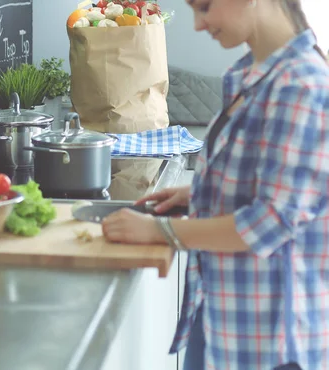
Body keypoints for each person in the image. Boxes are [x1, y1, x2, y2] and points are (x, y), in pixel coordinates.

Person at [100, 0, 329, 369]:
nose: (198, 25)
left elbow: (272, 221)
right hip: (222, 314)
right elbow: (266, 180)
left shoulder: (302, 86)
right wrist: (199, 195)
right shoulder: (251, 75)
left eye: (204, 7)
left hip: (271, 339)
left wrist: (162, 232)